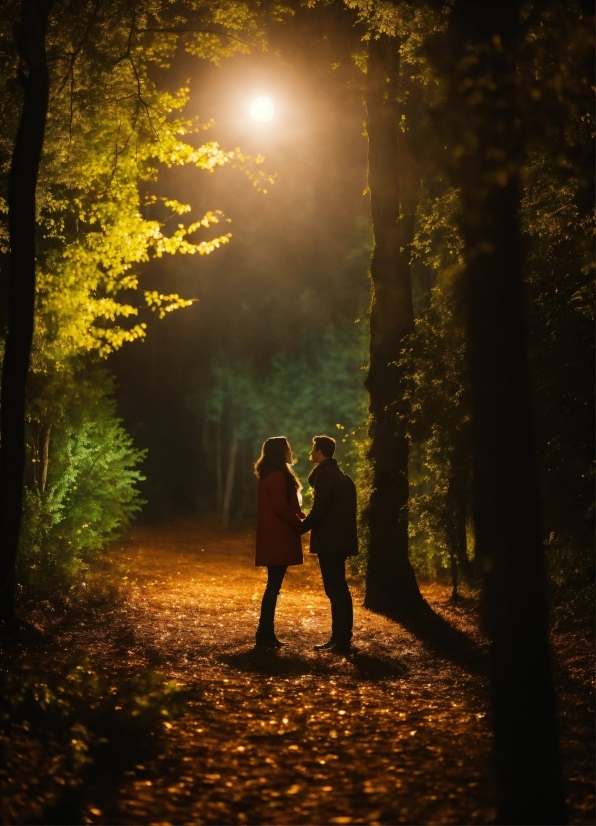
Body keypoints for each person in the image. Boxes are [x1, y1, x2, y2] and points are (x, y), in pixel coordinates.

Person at [300, 435, 358, 655]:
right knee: (340, 589)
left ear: (320, 452)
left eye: (313, 449)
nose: (311, 453)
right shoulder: (342, 477)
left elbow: (320, 510)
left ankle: (339, 638)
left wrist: (299, 528)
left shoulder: (325, 476)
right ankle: (344, 636)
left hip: (330, 541)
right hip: (340, 541)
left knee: (334, 590)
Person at [254, 436, 305, 648]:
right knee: (273, 586)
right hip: (278, 536)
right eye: (288, 449)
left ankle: (265, 631)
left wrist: (299, 515)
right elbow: (281, 508)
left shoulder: (270, 475)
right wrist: (300, 525)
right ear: (280, 452)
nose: (290, 451)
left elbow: (282, 506)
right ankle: (265, 632)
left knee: (273, 586)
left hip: (273, 535)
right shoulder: (277, 476)